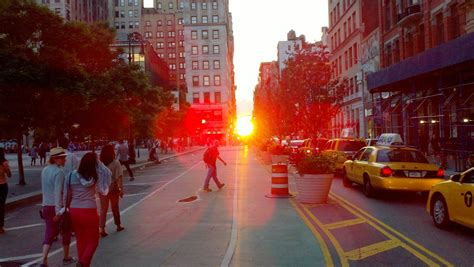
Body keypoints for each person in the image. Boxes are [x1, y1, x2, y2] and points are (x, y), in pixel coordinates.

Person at [64, 152, 110, 267]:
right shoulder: (95, 176)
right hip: (89, 210)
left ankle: (83, 263)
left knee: (81, 239)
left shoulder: (70, 175)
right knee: (94, 240)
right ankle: (83, 262)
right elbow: (103, 190)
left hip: (74, 210)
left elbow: (66, 195)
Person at [40, 147, 75, 266]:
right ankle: (66, 257)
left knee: (49, 232)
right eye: (63, 158)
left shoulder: (44, 170)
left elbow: (45, 190)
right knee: (66, 230)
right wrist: (59, 211)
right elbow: (57, 192)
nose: (65, 160)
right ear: (56, 159)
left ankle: (43, 259)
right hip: (56, 206)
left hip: (46, 205)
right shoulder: (59, 172)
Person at [99, 145, 125, 237]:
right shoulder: (115, 163)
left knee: (103, 209)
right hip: (112, 187)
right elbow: (119, 177)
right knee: (115, 207)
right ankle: (118, 225)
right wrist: (121, 189)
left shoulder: (99, 164)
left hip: (102, 189)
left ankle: (102, 228)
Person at [0, 148, 11, 234]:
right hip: (3, 186)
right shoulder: (5, 163)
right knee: (1, 206)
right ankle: (0, 226)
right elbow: (9, 175)